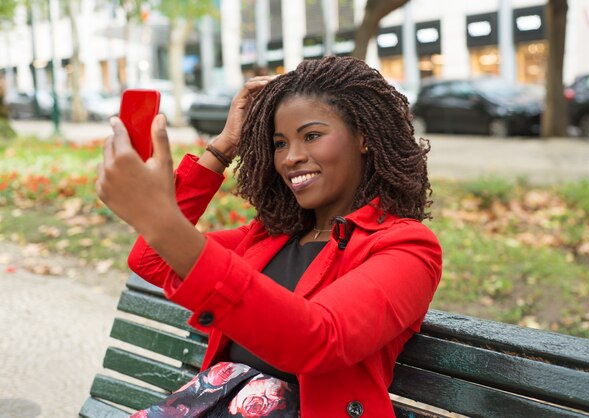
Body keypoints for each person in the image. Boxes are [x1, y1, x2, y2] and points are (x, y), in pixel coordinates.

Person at [96, 56, 442, 418]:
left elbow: (317, 340)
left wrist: (160, 217)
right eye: (279, 143)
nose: (291, 157)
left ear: (364, 138)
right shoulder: (269, 238)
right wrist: (223, 148)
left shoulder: (407, 248)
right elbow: (151, 259)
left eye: (311, 136)